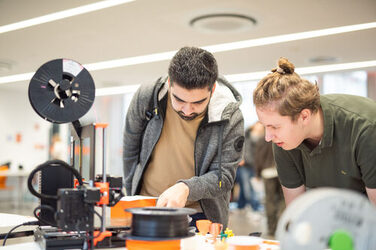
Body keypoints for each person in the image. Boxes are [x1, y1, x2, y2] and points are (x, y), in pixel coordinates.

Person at [123, 47, 244, 228]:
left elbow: (223, 177)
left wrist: (187, 188)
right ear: (170, 83)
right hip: (147, 206)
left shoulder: (230, 116)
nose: (187, 110)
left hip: (200, 215)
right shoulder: (148, 96)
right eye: (179, 100)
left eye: (198, 102)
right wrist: (132, 193)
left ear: (213, 89)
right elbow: (130, 149)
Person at [253, 57, 376, 207]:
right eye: (265, 126)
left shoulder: (365, 128)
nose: (268, 137)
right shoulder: (284, 141)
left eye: (275, 127)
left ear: (304, 116)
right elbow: (297, 210)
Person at [253, 123, 285, 237]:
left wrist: (257, 173)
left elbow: (258, 157)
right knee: (283, 200)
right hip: (282, 172)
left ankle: (272, 229)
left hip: (267, 173)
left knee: (270, 201)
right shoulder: (281, 136)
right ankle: (282, 227)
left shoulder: (262, 140)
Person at [235, 123, 263, 211]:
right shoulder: (246, 134)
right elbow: (240, 147)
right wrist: (241, 158)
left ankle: (241, 205)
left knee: (247, 186)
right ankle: (254, 206)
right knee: (247, 187)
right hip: (245, 164)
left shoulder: (261, 137)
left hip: (254, 165)